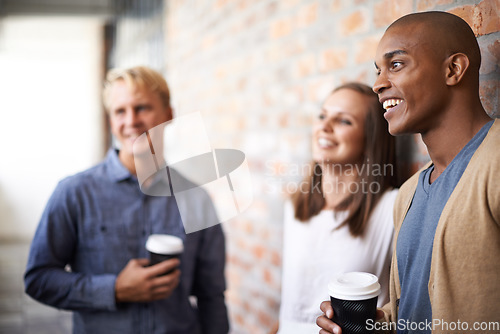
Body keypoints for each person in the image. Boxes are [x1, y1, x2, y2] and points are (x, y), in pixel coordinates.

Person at [317, 11, 499, 334]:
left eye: (396, 65)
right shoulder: (409, 193)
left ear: (453, 69)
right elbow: (413, 311)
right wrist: (370, 325)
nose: (378, 84)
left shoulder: (494, 164)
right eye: (378, 71)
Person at [24, 66, 230, 334]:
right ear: (111, 121)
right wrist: (114, 290)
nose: (131, 120)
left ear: (169, 115)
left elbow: (211, 295)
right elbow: (38, 280)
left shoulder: (196, 199)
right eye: (120, 111)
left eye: (142, 107)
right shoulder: (74, 193)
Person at [276, 83, 400, 334]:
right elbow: (292, 309)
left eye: (343, 121)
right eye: (322, 116)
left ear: (370, 138)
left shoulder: (393, 207)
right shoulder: (295, 206)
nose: (324, 126)